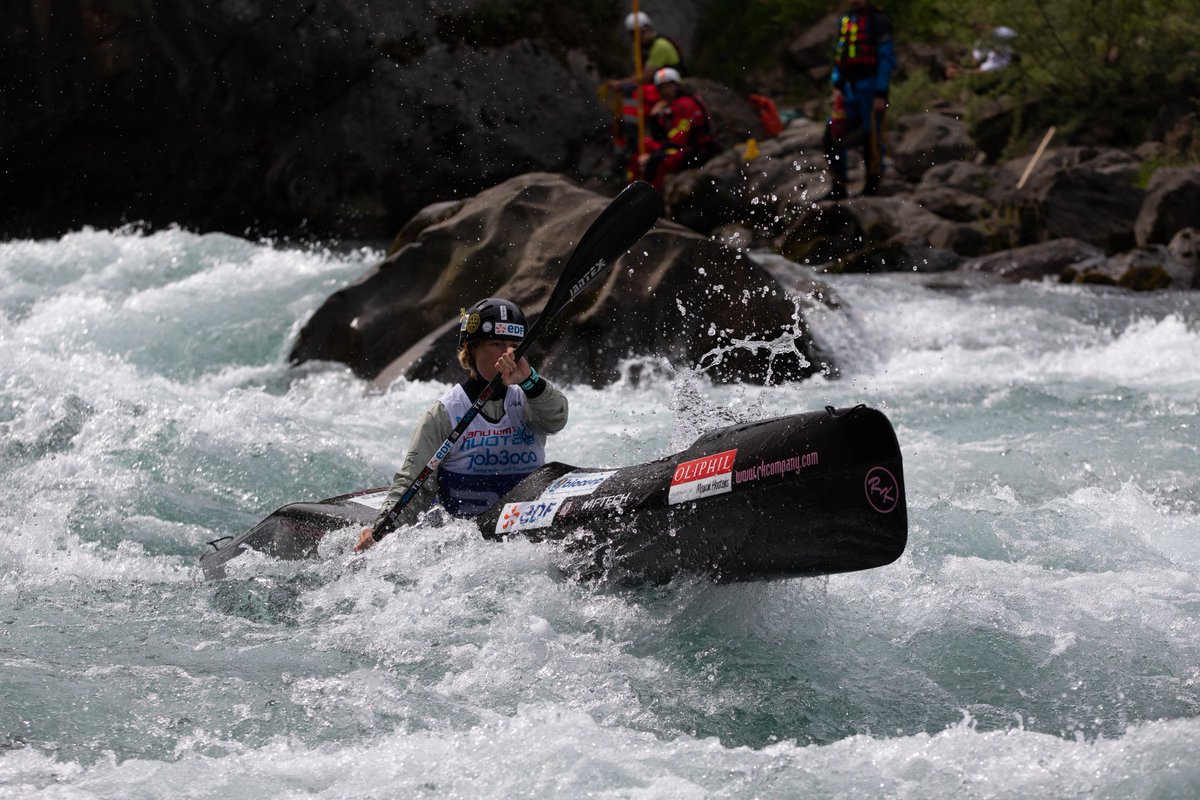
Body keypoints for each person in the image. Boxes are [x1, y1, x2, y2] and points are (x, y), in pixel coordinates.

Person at [353, 298, 569, 553]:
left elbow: (557, 420)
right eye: (497, 344)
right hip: (468, 546)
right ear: (471, 350)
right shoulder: (445, 414)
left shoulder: (529, 397)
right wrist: (382, 532)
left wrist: (530, 380)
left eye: (514, 346)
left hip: (528, 537)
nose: (508, 354)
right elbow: (413, 485)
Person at [821, 0, 896, 200]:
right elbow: (840, 56)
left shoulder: (879, 22)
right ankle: (838, 186)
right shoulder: (847, 20)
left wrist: (881, 93)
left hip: (870, 89)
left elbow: (886, 59)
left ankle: (872, 187)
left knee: (871, 138)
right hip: (848, 90)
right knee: (832, 134)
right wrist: (837, 86)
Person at [604, 12, 685, 180]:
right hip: (652, 89)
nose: (640, 37)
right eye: (635, 34)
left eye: (642, 32)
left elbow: (645, 77)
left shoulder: (660, 46)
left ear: (649, 29)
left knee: (631, 92)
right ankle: (622, 158)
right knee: (620, 118)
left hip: (663, 88)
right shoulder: (642, 49)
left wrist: (621, 84)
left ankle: (633, 139)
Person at [635, 67, 717, 192]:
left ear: (677, 85)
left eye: (669, 86)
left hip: (697, 150)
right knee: (644, 144)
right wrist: (654, 118)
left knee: (659, 161)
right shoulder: (669, 106)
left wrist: (652, 156)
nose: (666, 91)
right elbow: (659, 136)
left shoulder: (686, 104)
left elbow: (679, 138)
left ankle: (652, 196)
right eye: (662, 88)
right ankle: (633, 189)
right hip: (681, 147)